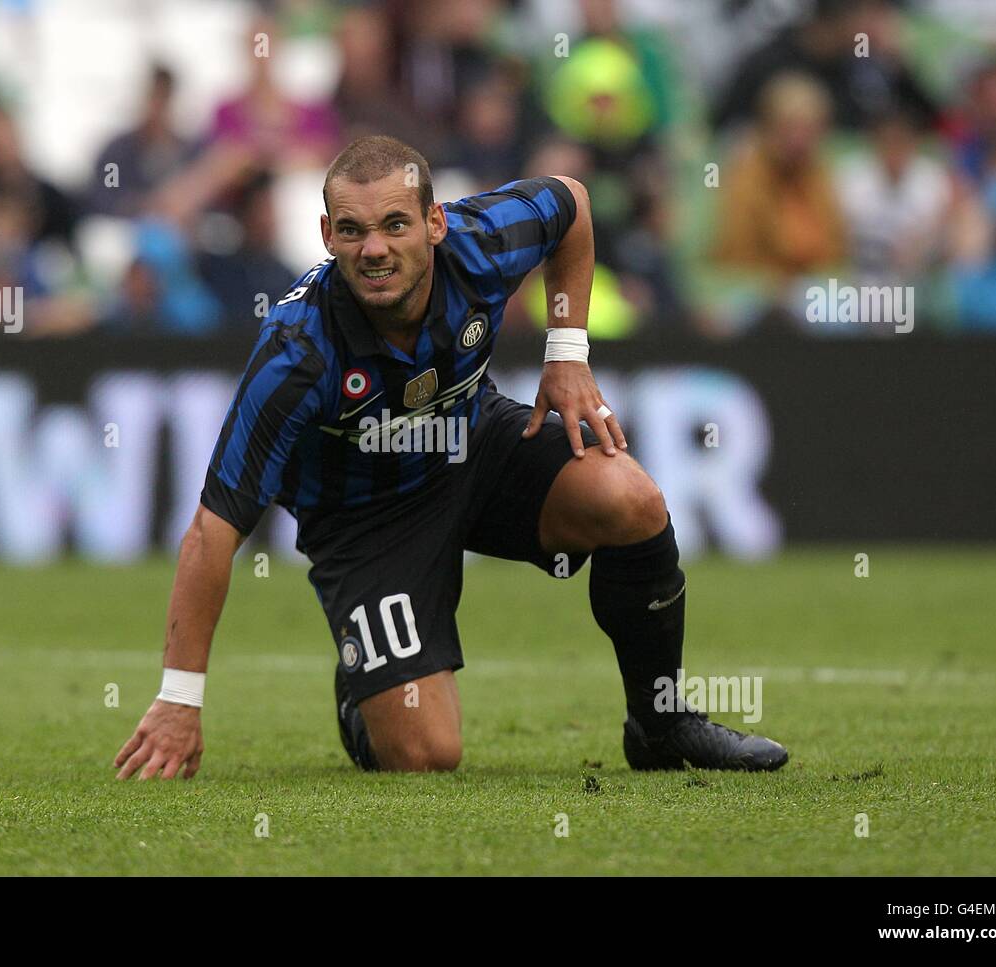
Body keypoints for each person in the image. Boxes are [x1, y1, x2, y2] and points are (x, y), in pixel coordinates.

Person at [114, 136, 788, 777]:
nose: (373, 248)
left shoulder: (484, 239)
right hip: (365, 521)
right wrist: (179, 698)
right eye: (351, 230)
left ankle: (659, 725)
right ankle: (363, 690)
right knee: (427, 752)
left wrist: (567, 354)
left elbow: (573, 205)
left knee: (631, 500)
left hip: (476, 444)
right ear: (326, 237)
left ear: (435, 222)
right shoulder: (297, 350)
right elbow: (212, 530)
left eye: (395, 225)